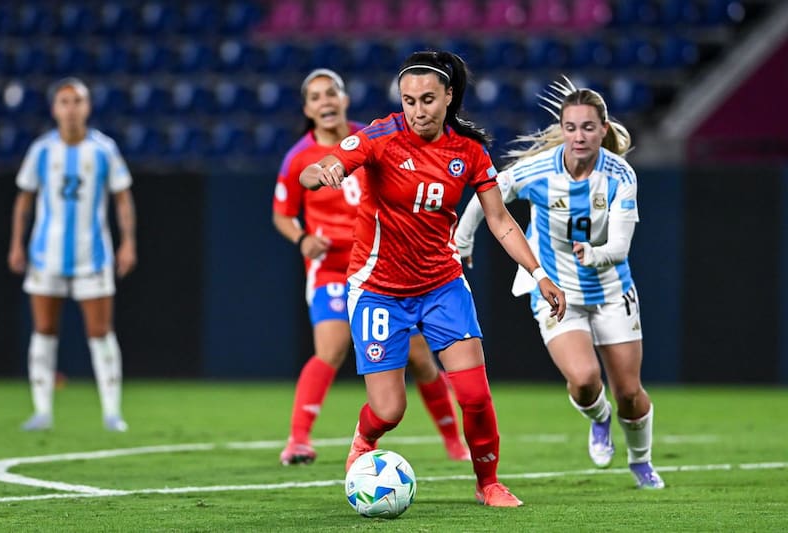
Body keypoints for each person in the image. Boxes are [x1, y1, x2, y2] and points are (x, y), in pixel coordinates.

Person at [299, 52, 566, 507]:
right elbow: (314, 170)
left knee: (475, 395)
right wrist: (323, 171)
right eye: (408, 101)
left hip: (441, 285)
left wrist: (538, 272)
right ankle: (364, 441)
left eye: (427, 100)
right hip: (378, 288)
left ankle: (488, 484)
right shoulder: (380, 135)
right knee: (389, 410)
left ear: (448, 97)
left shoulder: (469, 152)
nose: (417, 111)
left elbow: (500, 221)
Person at [454, 77, 665, 489]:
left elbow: (620, 247)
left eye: (589, 127)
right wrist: (461, 240)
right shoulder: (537, 170)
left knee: (630, 392)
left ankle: (641, 461)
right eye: (571, 127)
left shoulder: (620, 174)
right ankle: (599, 418)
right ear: (562, 129)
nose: (579, 136)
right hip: (557, 294)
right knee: (586, 381)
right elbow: (487, 194)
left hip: (610, 291)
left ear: (603, 130)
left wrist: (596, 253)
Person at [273, 68, 470, 466]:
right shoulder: (298, 157)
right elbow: (281, 213)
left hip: (385, 265)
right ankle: (297, 440)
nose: (325, 102)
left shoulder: (373, 139)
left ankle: (453, 441)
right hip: (331, 267)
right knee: (331, 347)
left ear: (345, 99)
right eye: (315, 97)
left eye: (331, 93)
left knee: (419, 356)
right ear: (308, 109)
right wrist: (302, 239)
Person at [7, 77, 136, 432]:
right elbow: (24, 198)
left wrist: (128, 242)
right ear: (54, 109)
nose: (71, 108)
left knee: (100, 331)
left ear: (87, 107)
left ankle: (112, 412)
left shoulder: (104, 150)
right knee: (44, 329)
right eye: (64, 102)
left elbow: (122, 197)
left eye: (77, 101)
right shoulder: (42, 150)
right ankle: (42, 411)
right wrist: (17, 243)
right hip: (45, 255)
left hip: (91, 255)